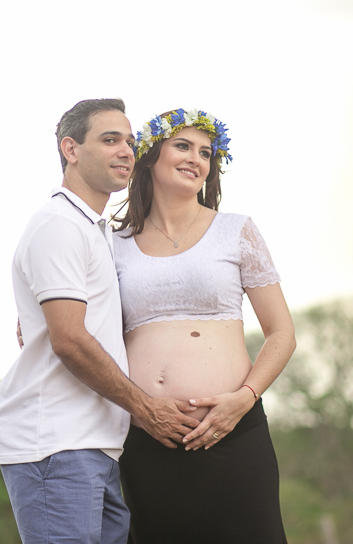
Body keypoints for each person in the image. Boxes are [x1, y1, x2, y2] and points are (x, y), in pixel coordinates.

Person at [0, 99, 201, 544]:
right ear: (71, 149)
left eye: (130, 142)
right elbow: (69, 340)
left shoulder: (94, 230)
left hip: (95, 444)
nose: (125, 151)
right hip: (56, 443)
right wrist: (147, 410)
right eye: (109, 140)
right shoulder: (59, 224)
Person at [113, 108, 296, 543]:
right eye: (183, 146)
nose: (195, 158)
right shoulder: (111, 244)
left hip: (233, 434)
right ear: (150, 156)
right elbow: (73, 316)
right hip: (148, 440)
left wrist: (244, 399)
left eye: (206, 152)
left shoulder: (236, 231)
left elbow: (282, 333)